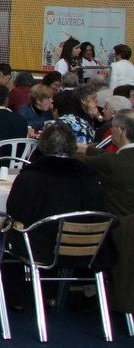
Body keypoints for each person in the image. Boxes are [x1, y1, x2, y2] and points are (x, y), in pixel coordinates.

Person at [5, 120, 108, 308]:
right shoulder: (89, 178)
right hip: (85, 247)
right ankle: (54, 293)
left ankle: (15, 298)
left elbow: (15, 212)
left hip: (40, 246)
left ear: (43, 146)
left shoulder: (31, 177)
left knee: (9, 233)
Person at [76, 109, 134, 314]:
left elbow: (85, 162)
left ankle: (85, 289)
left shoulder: (113, 162)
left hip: (116, 232)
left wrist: (77, 148)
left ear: (119, 131)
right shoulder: (116, 159)